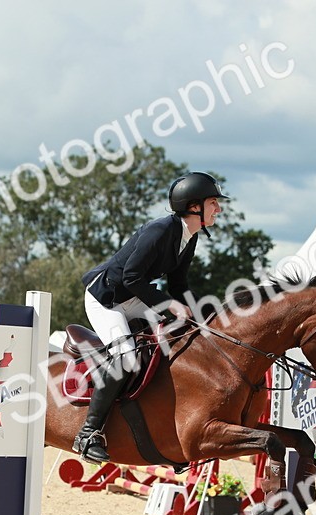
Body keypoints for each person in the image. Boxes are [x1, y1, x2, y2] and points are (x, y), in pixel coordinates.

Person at [72, 171, 226, 463]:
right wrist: (169, 304)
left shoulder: (189, 237)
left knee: (179, 337)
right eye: (213, 203)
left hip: (135, 298)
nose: (218, 208)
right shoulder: (159, 230)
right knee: (126, 357)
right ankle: (88, 434)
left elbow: (178, 285)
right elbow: (131, 277)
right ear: (194, 206)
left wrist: (205, 313)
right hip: (107, 300)